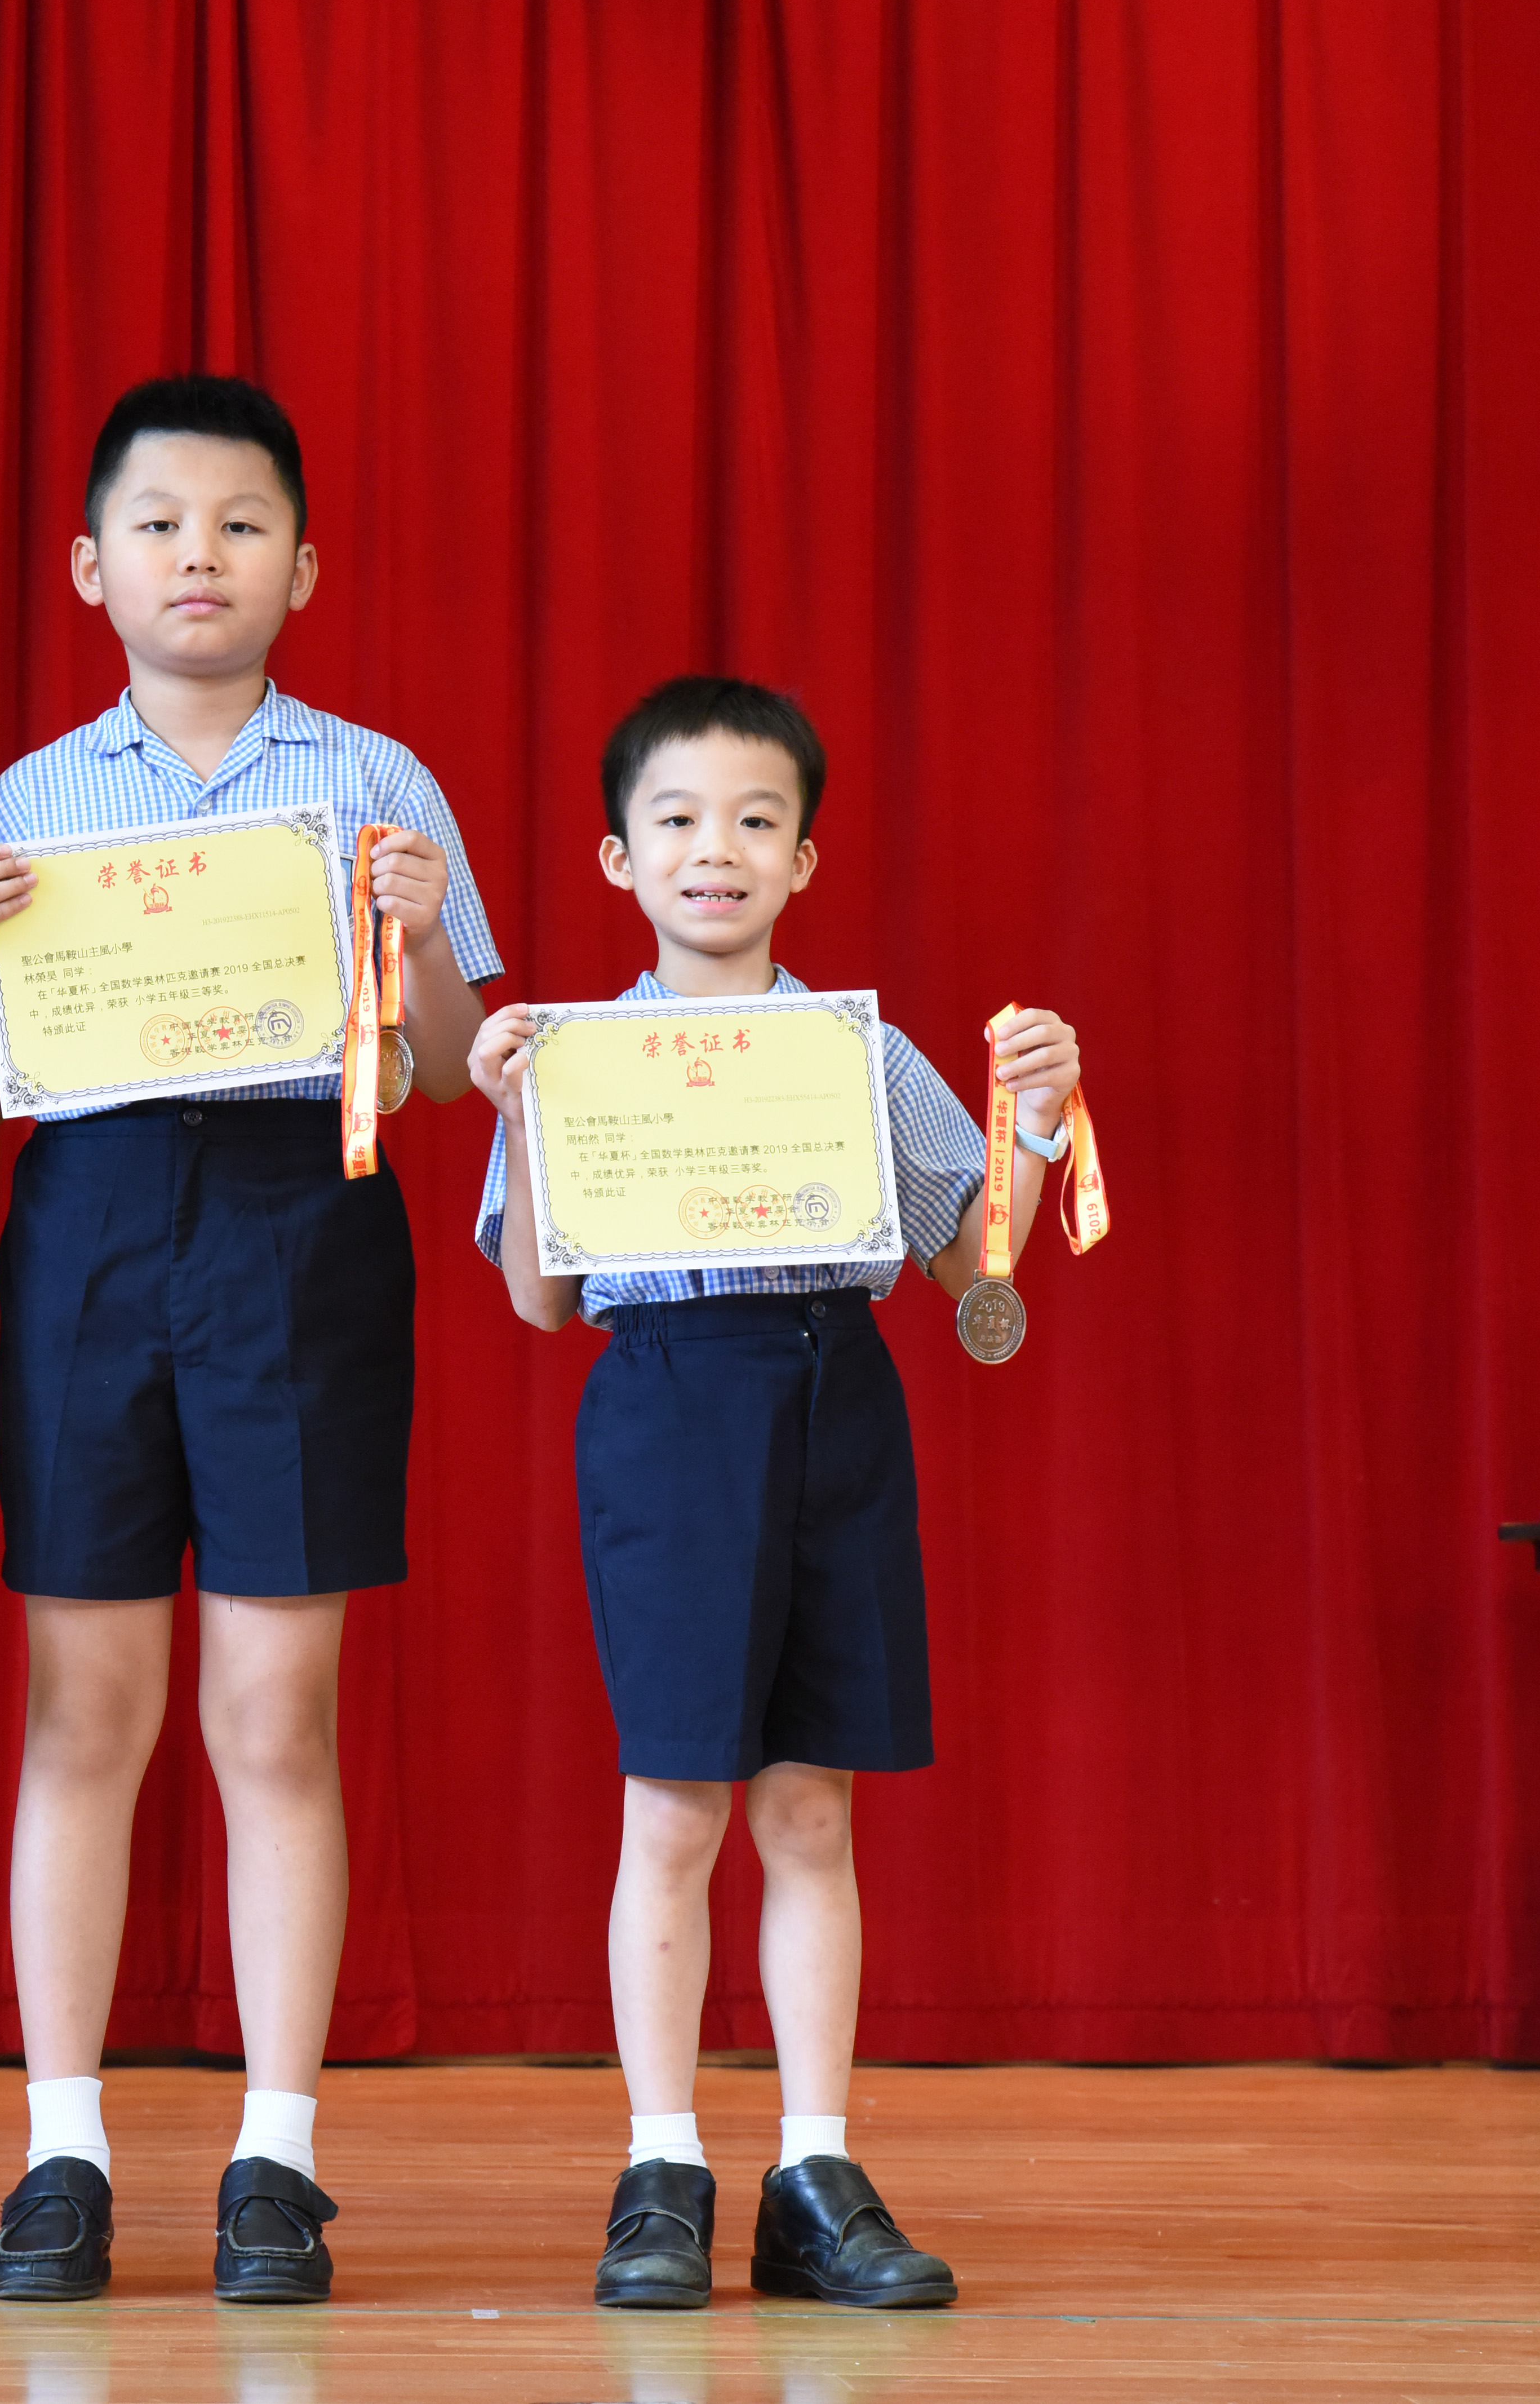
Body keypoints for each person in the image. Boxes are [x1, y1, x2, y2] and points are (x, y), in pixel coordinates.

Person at [0, 376, 501, 2305]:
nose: (200, 555)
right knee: (83, 1713)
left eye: (242, 524)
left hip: (301, 1226)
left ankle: (278, 2153)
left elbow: (442, 1075)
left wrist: (421, 935)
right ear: (90, 568)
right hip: (87, 1228)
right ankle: (61, 2144)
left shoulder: (382, 784)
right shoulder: (29, 803)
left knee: (273, 1718)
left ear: (302, 567)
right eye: (158, 524)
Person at [464, 676, 1085, 2313]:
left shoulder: (856, 1049)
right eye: (677, 820)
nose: (715, 850)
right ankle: (661, 2165)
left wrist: (1033, 1121)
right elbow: (538, 1299)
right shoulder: (572, 1058)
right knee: (674, 1809)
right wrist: (518, 1114)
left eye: (755, 822)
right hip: (668, 1405)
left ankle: (815, 2170)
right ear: (618, 856)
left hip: (836, 1401)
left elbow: (971, 1266)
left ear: (803, 859)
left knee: (813, 1808)